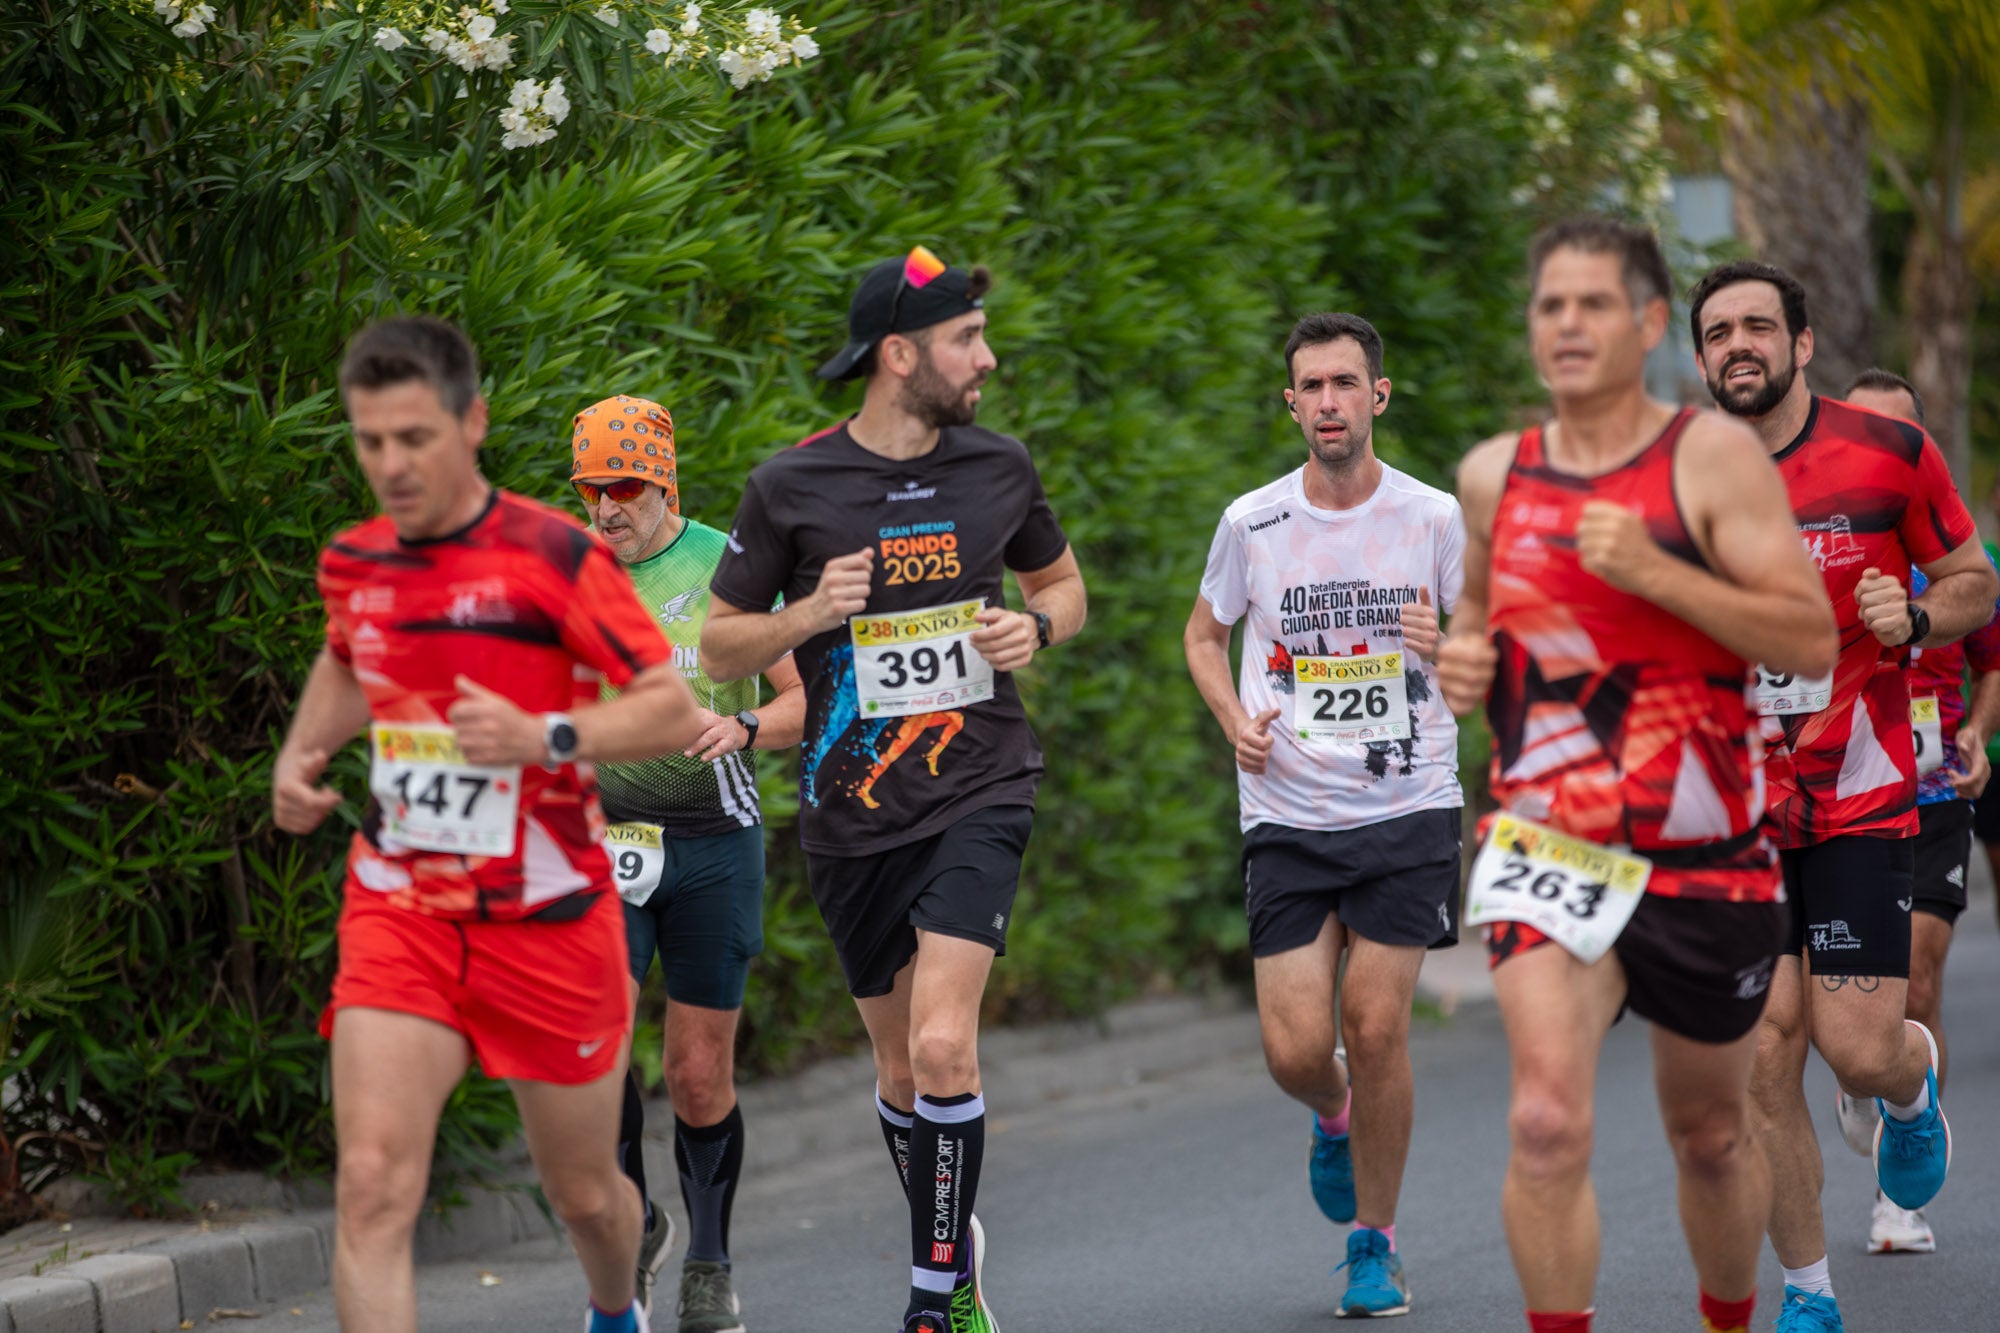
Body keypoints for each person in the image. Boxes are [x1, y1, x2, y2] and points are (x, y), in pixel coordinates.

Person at [1436, 218, 1838, 1333]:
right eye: (1547, 306)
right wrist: (1462, 663)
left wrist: (1655, 571)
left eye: (1592, 304)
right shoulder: (1491, 475)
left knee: (1708, 1134)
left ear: (1648, 323)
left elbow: (1804, 638)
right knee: (1544, 1122)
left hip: (1700, 853)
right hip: (1546, 840)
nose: (1565, 325)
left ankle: (1726, 1314)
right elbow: (1477, 631)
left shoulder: (1706, 458)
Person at [272, 317, 704, 1333]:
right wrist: (302, 752)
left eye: (413, 437)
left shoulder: (552, 555)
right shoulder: (357, 559)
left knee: (588, 1198)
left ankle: (613, 1306)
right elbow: (348, 655)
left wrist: (544, 734)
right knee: (373, 1184)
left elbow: (667, 706)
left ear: (472, 423)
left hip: (547, 916)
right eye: (370, 441)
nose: (391, 464)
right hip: (402, 906)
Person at [699, 246, 1087, 1333]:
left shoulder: (999, 467)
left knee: (940, 1044)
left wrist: (1037, 623)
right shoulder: (792, 484)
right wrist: (809, 614)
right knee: (899, 1071)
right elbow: (722, 636)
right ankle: (953, 1258)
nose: (987, 356)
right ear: (899, 353)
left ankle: (929, 1304)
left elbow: (1061, 581)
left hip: (980, 783)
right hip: (849, 812)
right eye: (967, 338)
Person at [1687, 261, 1996, 1331]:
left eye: (1756, 326)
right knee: (1765, 1044)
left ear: (1800, 342)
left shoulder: (1887, 455)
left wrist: (1910, 618)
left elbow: (1971, 581)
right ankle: (1807, 1291)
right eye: (1717, 330)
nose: (1738, 344)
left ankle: (1906, 1088)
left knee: (1853, 1044)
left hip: (1859, 798)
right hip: (1735, 813)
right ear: (1698, 357)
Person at [1183, 312, 1463, 1318]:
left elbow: (1483, 659)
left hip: (1406, 801)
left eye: (1346, 382)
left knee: (1375, 1022)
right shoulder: (1250, 521)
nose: (1329, 401)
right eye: (1311, 385)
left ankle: (1372, 1243)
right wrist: (1230, 719)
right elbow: (1201, 634)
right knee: (1297, 1049)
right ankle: (1332, 1113)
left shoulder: (1432, 518)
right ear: (1290, 403)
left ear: (1376, 396)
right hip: (1288, 809)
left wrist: (1446, 641)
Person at [565, 395, 809, 1329]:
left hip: (712, 845)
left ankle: (708, 1261)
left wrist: (744, 723)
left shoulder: (727, 562)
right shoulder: (576, 570)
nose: (605, 510)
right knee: (594, 1054)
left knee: (699, 1072)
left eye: (622, 487)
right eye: (591, 490)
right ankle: (638, 1224)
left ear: (663, 479)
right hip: (605, 845)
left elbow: (803, 698)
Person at [1830, 369, 2000, 1255]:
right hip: (1835, 793)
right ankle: (1869, 1072)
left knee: (1920, 975)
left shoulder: (1957, 546)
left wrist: (1974, 729)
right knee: (1839, 1018)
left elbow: (1992, 659)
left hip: (1931, 789)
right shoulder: (1811, 531)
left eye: (1896, 431)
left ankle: (1900, 1192)